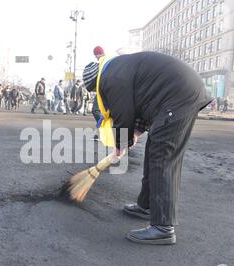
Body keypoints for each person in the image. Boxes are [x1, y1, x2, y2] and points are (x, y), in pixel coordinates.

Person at [82, 52, 212, 245]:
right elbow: (143, 102)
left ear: (95, 83)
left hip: (178, 95)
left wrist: (120, 145)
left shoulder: (111, 78)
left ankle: (163, 227)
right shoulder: (117, 69)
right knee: (155, 151)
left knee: (162, 157)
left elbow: (123, 114)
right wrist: (135, 132)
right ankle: (147, 205)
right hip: (177, 93)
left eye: (94, 90)